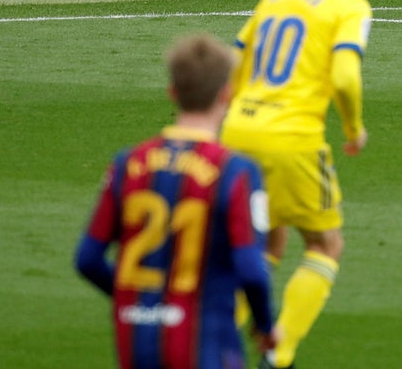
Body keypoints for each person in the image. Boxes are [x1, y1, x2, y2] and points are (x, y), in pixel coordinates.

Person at [221, 0, 379, 369]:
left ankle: (211, 340)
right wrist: (353, 129)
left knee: (266, 244)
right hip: (291, 139)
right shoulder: (351, 6)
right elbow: (346, 79)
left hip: (239, 132)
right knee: (325, 245)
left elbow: (233, 65)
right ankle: (280, 352)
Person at [74, 34, 279, 369]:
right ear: (226, 94)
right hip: (206, 340)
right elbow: (252, 271)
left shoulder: (128, 163)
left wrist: (141, 302)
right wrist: (266, 327)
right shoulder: (236, 170)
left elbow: (87, 260)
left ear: (173, 93)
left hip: (136, 340)